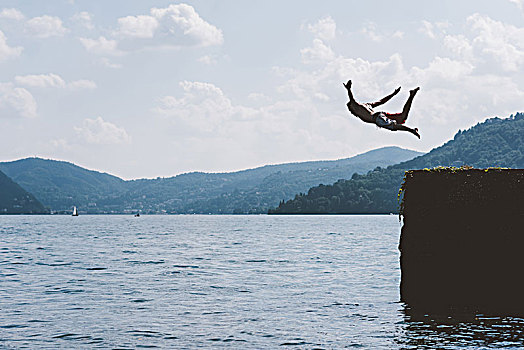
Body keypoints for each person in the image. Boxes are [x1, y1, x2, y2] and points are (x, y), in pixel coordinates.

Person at [343, 79, 420, 138]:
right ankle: (411, 95)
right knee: (403, 116)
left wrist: (349, 89)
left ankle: (412, 130)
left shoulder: (356, 108)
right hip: (381, 114)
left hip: (377, 118)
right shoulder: (367, 105)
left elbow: (351, 99)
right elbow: (382, 101)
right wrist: (393, 94)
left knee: (394, 126)